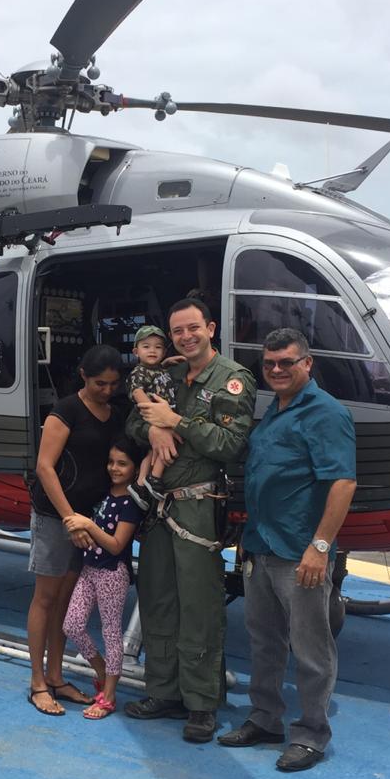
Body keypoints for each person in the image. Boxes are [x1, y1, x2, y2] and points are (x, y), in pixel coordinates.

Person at [218, 327, 357, 772]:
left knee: (311, 647)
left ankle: (312, 734)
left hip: (301, 555)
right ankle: (264, 718)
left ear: (307, 364)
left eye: (286, 362)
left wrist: (320, 547)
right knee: (264, 642)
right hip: (261, 547)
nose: (277, 370)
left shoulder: (325, 413)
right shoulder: (275, 411)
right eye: (270, 364)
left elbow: (342, 481)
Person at [124, 298, 256, 743]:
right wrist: (155, 429)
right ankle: (164, 691)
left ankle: (201, 703)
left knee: (199, 604)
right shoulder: (170, 374)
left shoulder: (233, 380)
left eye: (193, 328)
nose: (185, 337)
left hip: (198, 506)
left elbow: (230, 444)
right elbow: (133, 421)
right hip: (159, 508)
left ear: (211, 328)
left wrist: (175, 420)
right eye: (178, 331)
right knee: (157, 597)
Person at [27, 344, 126, 716]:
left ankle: (56, 674)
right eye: (100, 383)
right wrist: (70, 519)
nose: (107, 390)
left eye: (113, 384)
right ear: (84, 376)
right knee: (46, 597)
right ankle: (37, 680)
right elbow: (45, 467)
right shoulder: (66, 410)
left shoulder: (114, 414)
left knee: (66, 600)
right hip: (57, 518)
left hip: (89, 521)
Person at [61, 436, 146, 720]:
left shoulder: (130, 503)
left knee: (111, 633)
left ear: (135, 469)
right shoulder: (104, 494)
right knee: (71, 625)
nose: (114, 468)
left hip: (112, 573)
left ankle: (109, 695)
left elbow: (116, 544)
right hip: (89, 569)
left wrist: (87, 525)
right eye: (111, 462)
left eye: (122, 463)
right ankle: (101, 670)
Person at [125, 325, 179, 504]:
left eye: (158, 347)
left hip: (163, 413)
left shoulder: (159, 369)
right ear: (136, 351)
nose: (152, 351)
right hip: (156, 415)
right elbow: (137, 391)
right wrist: (152, 411)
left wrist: (167, 363)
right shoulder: (138, 372)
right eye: (146, 346)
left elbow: (156, 375)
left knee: (153, 450)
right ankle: (154, 478)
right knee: (166, 445)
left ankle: (140, 484)